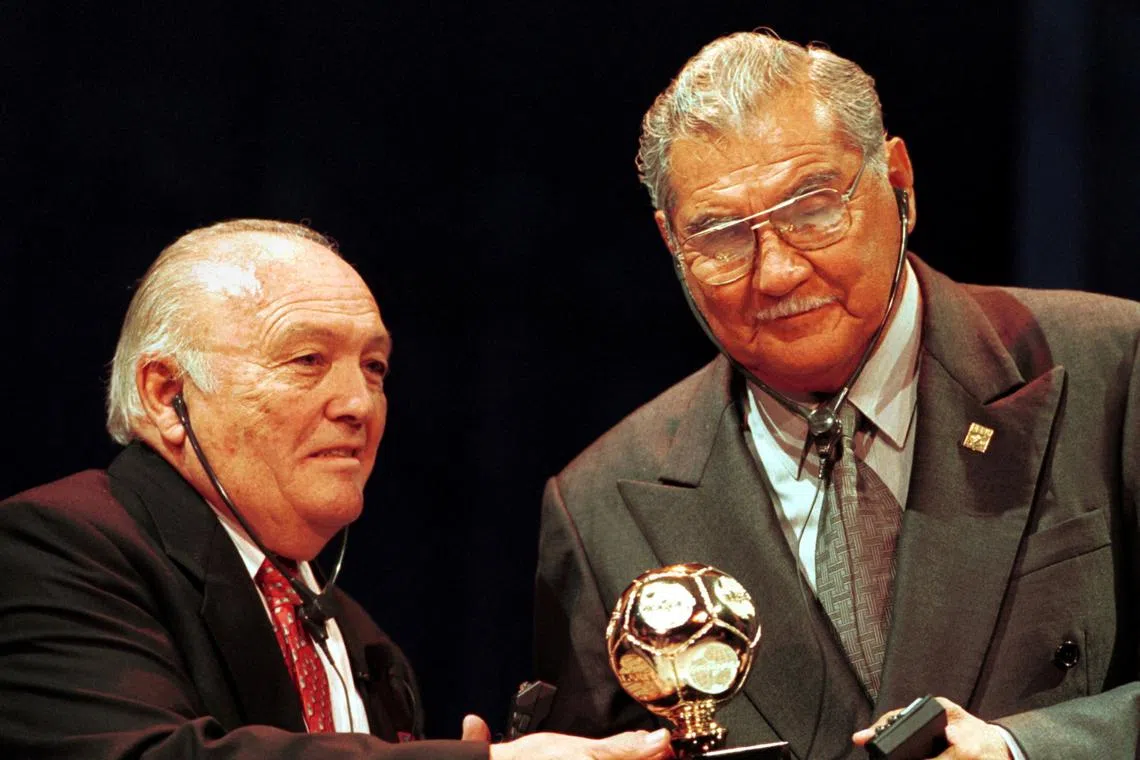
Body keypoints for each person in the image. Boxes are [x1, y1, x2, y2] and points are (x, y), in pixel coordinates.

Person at [534, 31, 1139, 760]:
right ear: (671, 242)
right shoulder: (600, 505)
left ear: (899, 179)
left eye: (813, 206)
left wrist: (1025, 749)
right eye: (722, 235)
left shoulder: (1113, 367)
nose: (779, 270)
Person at [0, 219, 675, 760]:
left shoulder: (363, 642)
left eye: (374, 366)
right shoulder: (49, 549)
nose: (359, 402)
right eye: (307, 360)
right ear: (167, 393)